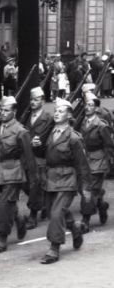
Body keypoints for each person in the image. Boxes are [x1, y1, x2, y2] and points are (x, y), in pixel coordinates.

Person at [41, 98, 92, 263]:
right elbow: (45, 154)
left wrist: (86, 189)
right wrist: (36, 145)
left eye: (61, 111)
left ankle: (54, 248)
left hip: (67, 179)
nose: (56, 113)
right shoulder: (50, 133)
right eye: (55, 111)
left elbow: (83, 165)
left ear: (69, 115)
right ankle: (75, 227)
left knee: (56, 213)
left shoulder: (74, 138)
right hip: (50, 178)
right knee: (53, 211)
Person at [0, 96, 36, 254]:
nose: (2, 113)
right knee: (1, 203)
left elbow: (29, 158)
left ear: (14, 112)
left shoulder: (21, 131)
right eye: (1, 110)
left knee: (4, 205)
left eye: (6, 110)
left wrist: (33, 180)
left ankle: (2, 238)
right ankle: (19, 219)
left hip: (13, 172)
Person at [79, 92, 114, 231]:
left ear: (96, 108)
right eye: (86, 104)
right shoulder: (84, 122)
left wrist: (109, 162)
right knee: (89, 189)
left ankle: (85, 219)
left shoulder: (101, 125)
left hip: (99, 161)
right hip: (86, 160)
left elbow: (109, 145)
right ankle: (101, 205)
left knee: (89, 189)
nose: (87, 107)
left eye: (90, 105)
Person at [21, 87, 54, 229]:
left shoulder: (48, 118)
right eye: (32, 99)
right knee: (24, 185)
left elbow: (50, 137)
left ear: (43, 101)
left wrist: (42, 143)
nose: (33, 102)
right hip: (26, 156)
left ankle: (33, 215)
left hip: (40, 157)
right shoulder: (27, 116)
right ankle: (44, 202)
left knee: (35, 185)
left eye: (36, 99)